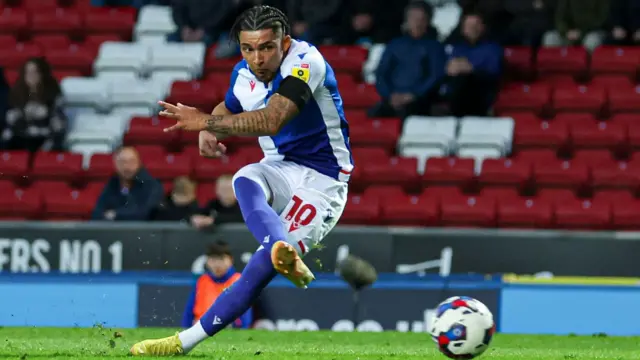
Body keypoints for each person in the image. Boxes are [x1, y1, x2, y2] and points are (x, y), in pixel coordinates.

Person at [130, 5, 352, 356]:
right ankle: (283, 249)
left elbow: (273, 120)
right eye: (248, 49)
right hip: (280, 166)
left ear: (285, 43)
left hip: (323, 179)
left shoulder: (307, 61)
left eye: (266, 47)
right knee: (244, 177)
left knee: (258, 268)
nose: (257, 58)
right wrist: (210, 127)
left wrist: (204, 122)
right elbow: (228, 106)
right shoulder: (243, 74)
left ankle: (182, 343)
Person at [369, 1, 444, 119]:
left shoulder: (435, 47)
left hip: (420, 100)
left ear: (428, 21)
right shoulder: (395, 45)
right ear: (407, 21)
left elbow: (435, 76)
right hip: (392, 98)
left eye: (421, 19)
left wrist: (414, 94)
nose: (417, 23)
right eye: (413, 18)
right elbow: (382, 73)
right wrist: (390, 95)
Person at [1, 57, 67, 152]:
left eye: (34, 72)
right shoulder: (16, 95)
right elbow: (10, 121)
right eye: (27, 72)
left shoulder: (53, 96)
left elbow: (58, 125)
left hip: (44, 139)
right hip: (20, 140)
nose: (30, 76)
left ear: (42, 74)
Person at [181, 241, 252, 329]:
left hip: (228, 327)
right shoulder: (202, 281)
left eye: (221, 259)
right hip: (200, 327)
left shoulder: (239, 281)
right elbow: (189, 310)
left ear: (230, 260)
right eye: (213, 260)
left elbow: (245, 314)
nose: (217, 264)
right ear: (207, 261)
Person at [91, 146, 164, 221]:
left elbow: (146, 213)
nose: (127, 167)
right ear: (115, 164)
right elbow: (97, 214)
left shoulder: (152, 185)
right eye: (122, 162)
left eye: (132, 161)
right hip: (115, 231)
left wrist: (115, 214)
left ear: (139, 163)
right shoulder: (112, 184)